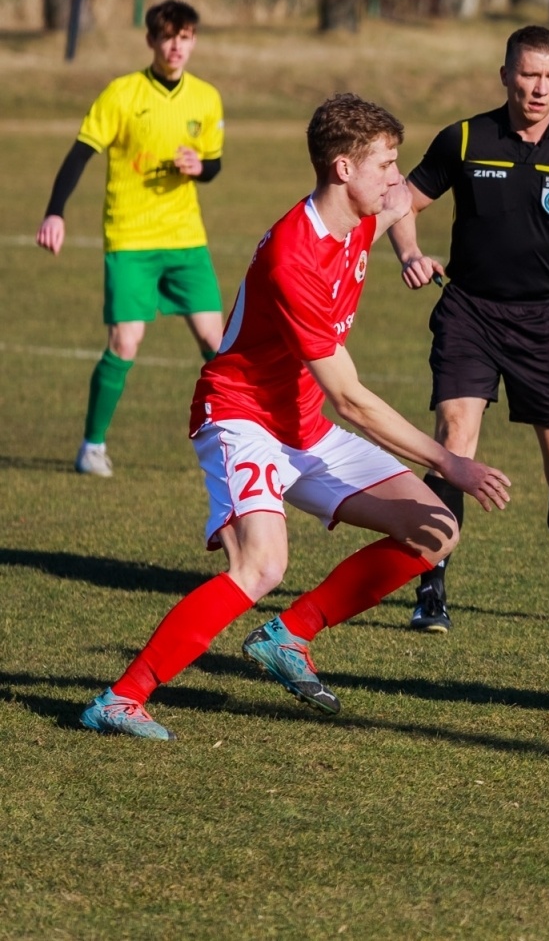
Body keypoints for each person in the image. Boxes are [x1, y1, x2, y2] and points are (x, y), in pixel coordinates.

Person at [79, 94, 511, 741]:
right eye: (386, 163)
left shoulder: (364, 207)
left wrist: (410, 250)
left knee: (435, 529)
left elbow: (401, 206)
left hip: (302, 424)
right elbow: (352, 398)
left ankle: (290, 634)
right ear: (342, 169)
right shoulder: (293, 258)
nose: (398, 178)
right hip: (241, 415)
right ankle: (121, 696)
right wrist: (448, 458)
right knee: (261, 565)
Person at [386, 25, 549, 633]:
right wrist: (408, 253)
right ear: (505, 75)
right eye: (528, 74)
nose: (539, 88)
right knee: (453, 442)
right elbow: (400, 199)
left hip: (546, 323)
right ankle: (430, 585)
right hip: (469, 312)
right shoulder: (467, 138)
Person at [37, 0, 227, 476]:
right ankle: (92, 446)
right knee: (125, 342)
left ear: (193, 41)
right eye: (167, 37)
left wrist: (199, 167)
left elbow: (215, 164)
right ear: (151, 41)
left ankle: (238, 436)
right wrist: (55, 212)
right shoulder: (121, 94)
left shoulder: (206, 98)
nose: (176, 47)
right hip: (131, 239)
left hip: (186, 240)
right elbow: (80, 153)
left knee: (217, 341)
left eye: (184, 37)